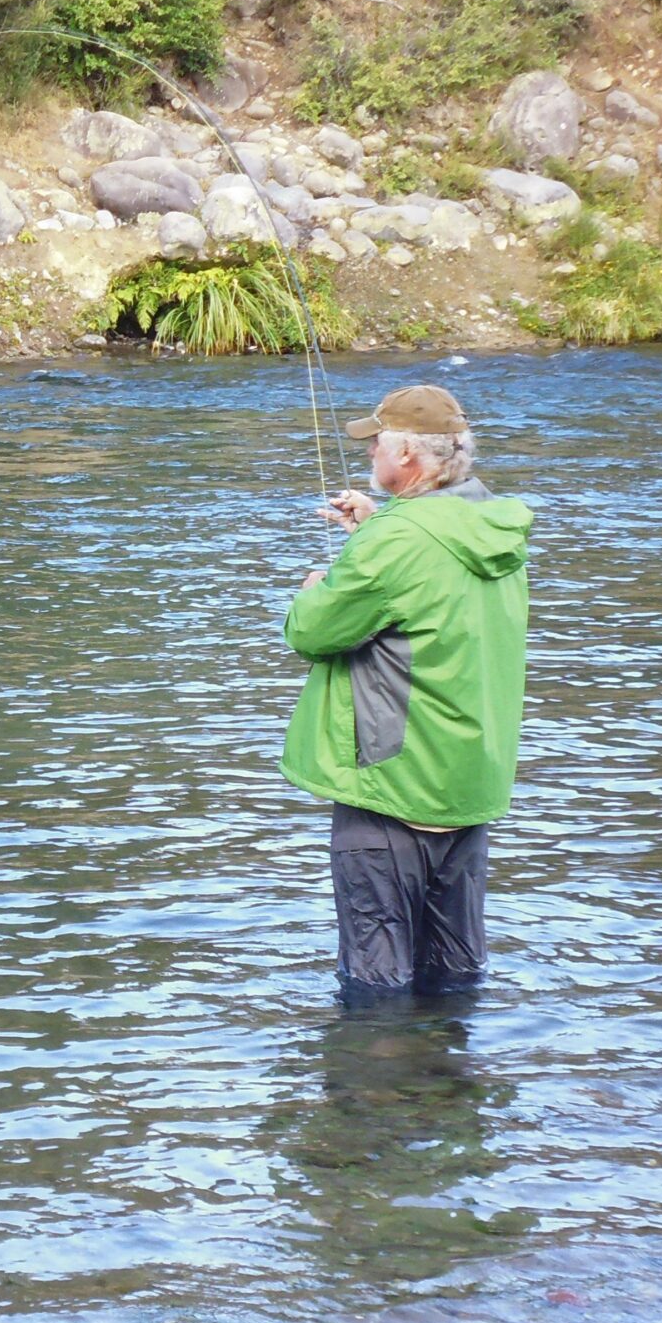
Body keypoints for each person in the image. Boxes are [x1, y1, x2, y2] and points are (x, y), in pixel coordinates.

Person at [280, 385, 532, 1005]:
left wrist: (318, 585)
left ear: (409, 460)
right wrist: (379, 520)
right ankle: (450, 1092)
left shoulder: (397, 542)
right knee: (456, 974)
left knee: (376, 987)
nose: (369, 458)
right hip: (466, 787)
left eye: (376, 447)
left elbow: (311, 632)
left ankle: (379, 1096)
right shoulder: (491, 526)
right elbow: (427, 579)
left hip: (390, 788)